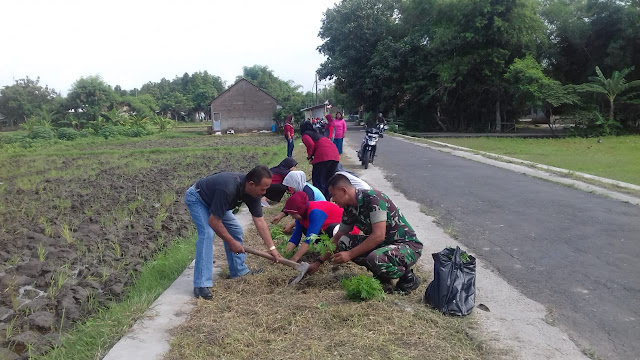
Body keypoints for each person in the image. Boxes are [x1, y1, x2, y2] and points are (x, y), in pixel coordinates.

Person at [308, 174, 422, 294]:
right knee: (344, 242)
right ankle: (382, 276)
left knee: (374, 257)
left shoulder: (374, 199)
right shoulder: (349, 208)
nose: (333, 200)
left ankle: (408, 277)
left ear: (344, 191)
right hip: (384, 246)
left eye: (333, 195)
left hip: (407, 246)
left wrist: (350, 254)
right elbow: (338, 237)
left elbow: (378, 236)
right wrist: (318, 262)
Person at [184, 166, 283, 300]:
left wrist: (272, 248)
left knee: (235, 229)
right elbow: (214, 221)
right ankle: (201, 284)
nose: (264, 193)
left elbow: (259, 221)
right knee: (207, 234)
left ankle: (238, 271)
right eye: (263, 189)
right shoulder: (228, 188)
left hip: (217, 201)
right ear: (252, 184)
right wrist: (232, 242)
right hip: (198, 198)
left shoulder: (253, 193)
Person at [281, 192, 359, 262]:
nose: (292, 217)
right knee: (306, 229)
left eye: (293, 214)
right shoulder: (301, 215)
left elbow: (310, 240)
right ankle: (330, 250)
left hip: (347, 230)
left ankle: (340, 249)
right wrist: (284, 255)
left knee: (331, 229)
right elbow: (296, 237)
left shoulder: (315, 212)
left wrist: (294, 259)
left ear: (299, 210)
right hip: (329, 232)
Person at [301, 129, 340, 199]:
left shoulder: (305, 135)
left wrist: (309, 157)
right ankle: (327, 200)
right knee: (328, 181)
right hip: (335, 156)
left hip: (323, 156)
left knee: (318, 180)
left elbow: (310, 144)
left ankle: (319, 201)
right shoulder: (320, 136)